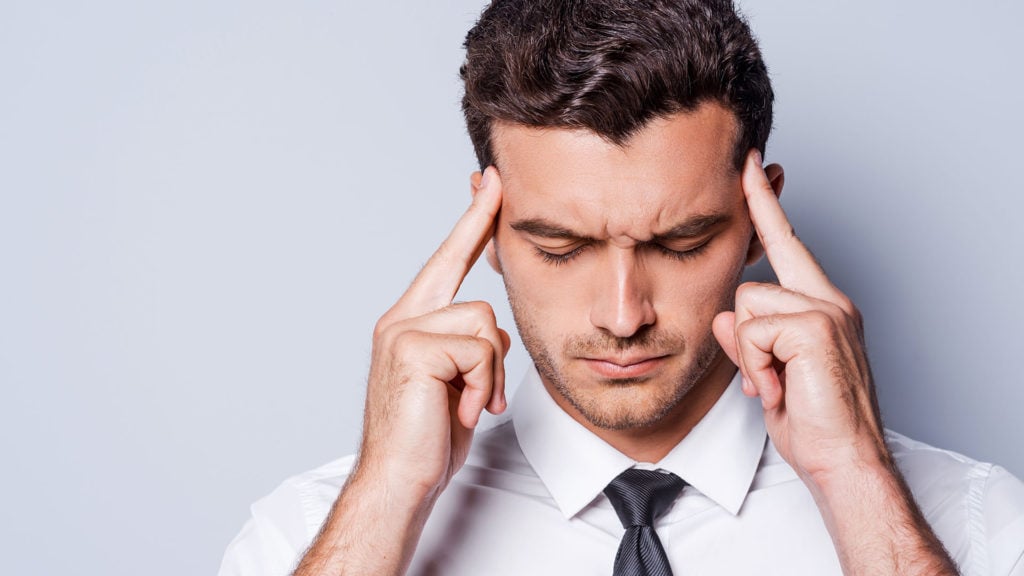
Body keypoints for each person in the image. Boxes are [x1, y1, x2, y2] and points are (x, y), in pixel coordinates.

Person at [219, 1, 1024, 574]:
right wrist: (388, 494)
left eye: (681, 242)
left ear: (758, 217)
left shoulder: (979, 528)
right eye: (560, 246)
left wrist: (855, 476)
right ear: (487, 230)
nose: (622, 316)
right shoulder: (309, 534)